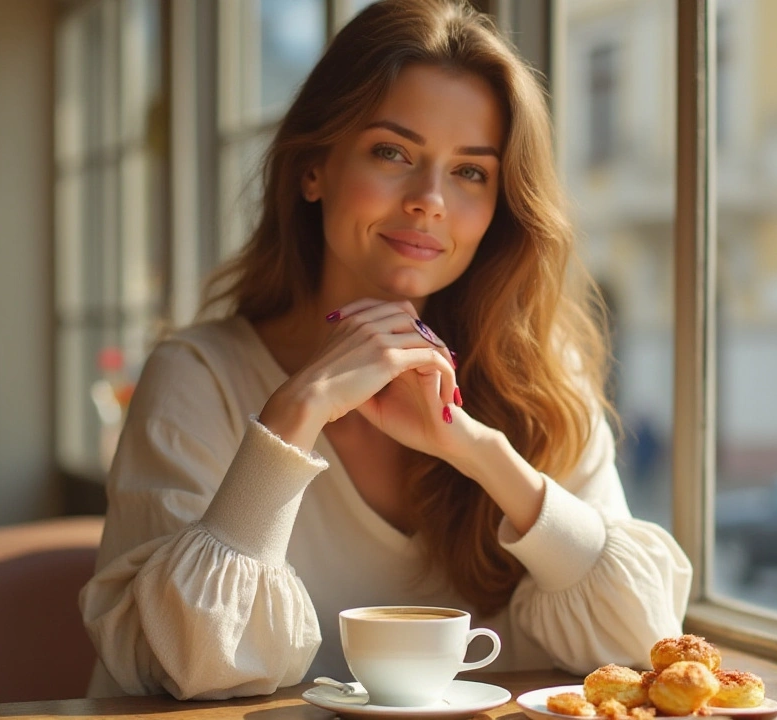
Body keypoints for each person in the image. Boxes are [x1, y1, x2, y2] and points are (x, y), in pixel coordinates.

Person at [79, 0, 691, 701]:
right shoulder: (195, 378)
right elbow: (183, 664)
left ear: (499, 207)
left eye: (470, 172)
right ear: (314, 168)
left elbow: (638, 636)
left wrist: (476, 449)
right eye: (392, 152)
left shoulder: (545, 381)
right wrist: (293, 415)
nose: (430, 199)